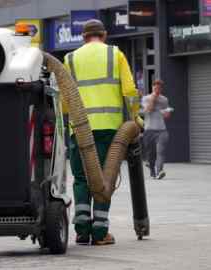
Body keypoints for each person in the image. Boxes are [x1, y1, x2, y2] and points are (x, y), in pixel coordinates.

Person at [63, 19, 141, 246]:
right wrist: (136, 118)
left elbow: (64, 99)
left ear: (83, 37)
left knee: (80, 178)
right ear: (104, 35)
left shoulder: (69, 59)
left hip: (79, 128)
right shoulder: (115, 54)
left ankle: (82, 231)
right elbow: (129, 91)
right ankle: (100, 232)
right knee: (105, 178)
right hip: (108, 128)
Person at [141, 80, 172, 180]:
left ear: (161, 89)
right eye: (155, 88)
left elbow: (166, 114)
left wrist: (167, 113)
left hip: (161, 130)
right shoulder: (146, 98)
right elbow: (148, 110)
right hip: (149, 130)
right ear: (152, 88)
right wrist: (154, 98)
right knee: (151, 154)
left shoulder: (164, 100)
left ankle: (159, 172)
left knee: (160, 152)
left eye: (159, 88)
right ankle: (152, 172)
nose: (157, 90)